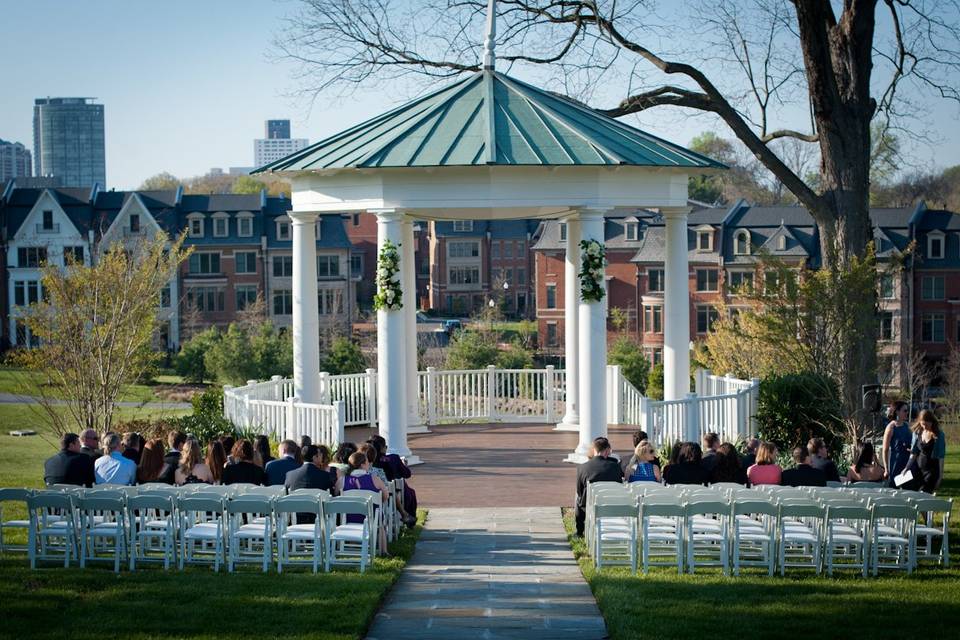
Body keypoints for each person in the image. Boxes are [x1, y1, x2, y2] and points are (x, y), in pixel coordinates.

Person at [338, 450, 390, 553]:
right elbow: (386, 496)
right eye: (367, 462)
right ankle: (383, 551)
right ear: (362, 465)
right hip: (372, 518)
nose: (368, 464)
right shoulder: (375, 479)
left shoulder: (342, 481)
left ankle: (349, 547)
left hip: (349, 517)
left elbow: (337, 497)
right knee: (380, 520)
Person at [575, 437, 624, 536]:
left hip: (590, 505)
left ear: (595, 450)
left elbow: (579, 491)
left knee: (578, 499)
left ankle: (580, 531)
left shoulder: (582, 468)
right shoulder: (615, 467)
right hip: (612, 503)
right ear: (607, 451)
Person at [905, 410, 945, 493]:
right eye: (922, 424)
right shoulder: (917, 433)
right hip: (918, 471)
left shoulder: (939, 435)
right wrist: (906, 468)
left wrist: (940, 477)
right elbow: (914, 453)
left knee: (924, 493)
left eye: (927, 424)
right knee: (915, 494)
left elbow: (941, 457)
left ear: (931, 422)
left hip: (931, 471)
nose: (925, 427)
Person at [882, 401, 913, 487]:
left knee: (908, 488)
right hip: (896, 461)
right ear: (897, 412)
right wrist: (886, 469)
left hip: (907, 461)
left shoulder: (907, 426)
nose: (907, 413)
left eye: (907, 411)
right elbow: (885, 450)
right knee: (894, 486)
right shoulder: (891, 427)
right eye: (905, 411)